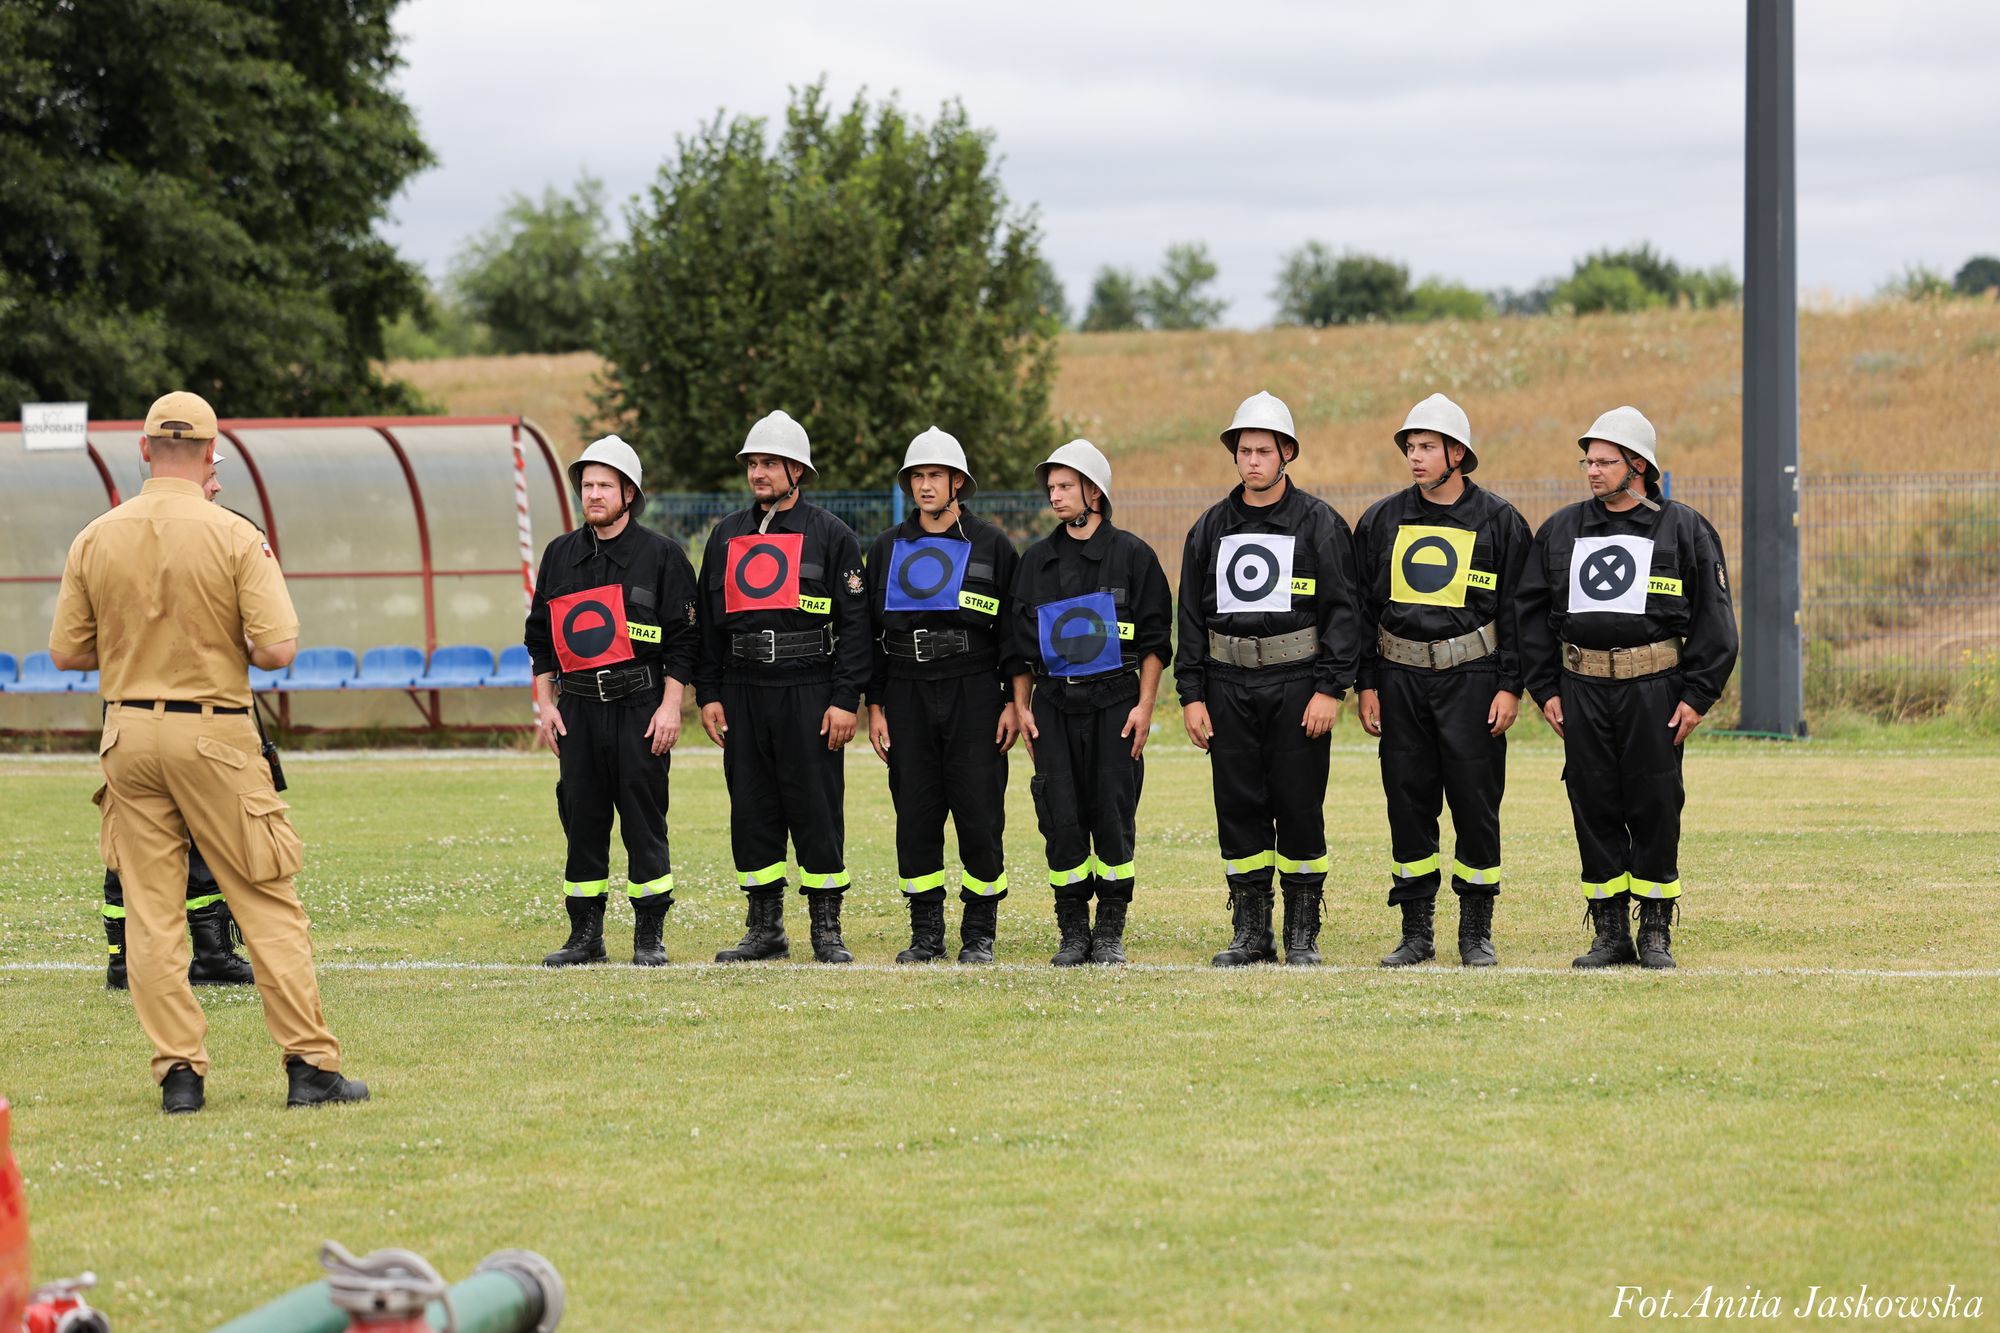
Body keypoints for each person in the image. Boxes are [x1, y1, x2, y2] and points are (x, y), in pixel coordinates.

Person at [50, 390, 365, 1113]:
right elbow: (278, 649)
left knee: (151, 915)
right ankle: (310, 1067)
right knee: (266, 900)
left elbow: (66, 651)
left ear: (143, 450)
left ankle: (180, 1075)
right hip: (215, 732)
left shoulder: (96, 536)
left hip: (128, 733)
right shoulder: (233, 534)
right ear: (211, 455)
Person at [1518, 406, 1739, 968]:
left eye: (1605, 462)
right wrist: (1545, 690)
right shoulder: (1561, 529)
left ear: (1638, 464)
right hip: (1581, 691)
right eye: (1588, 461)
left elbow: (1716, 621)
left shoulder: (1684, 528)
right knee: (1592, 804)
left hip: (1655, 692)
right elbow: (1529, 616)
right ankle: (1610, 932)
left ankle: (1656, 932)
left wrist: (1696, 696)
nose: (1592, 471)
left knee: (1655, 806)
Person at [1176, 392, 1360, 967]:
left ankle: (1302, 934)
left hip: (1298, 684)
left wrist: (1331, 688)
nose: (1252, 460)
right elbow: (1191, 618)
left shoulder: (1320, 524)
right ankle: (1251, 932)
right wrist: (1192, 696)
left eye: (1264, 450)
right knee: (1238, 805)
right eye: (1244, 450)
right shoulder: (1209, 528)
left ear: (1287, 454)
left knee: (1299, 804)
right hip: (1227, 686)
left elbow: (1343, 611)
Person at [1353, 394, 1534, 967]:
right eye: (1410, 447)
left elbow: (1518, 613)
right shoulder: (1380, 520)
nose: (1415, 456)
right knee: (1407, 803)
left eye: (1427, 447)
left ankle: (1475, 932)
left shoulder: (1501, 521)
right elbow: (1361, 610)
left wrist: (1511, 685)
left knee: (1476, 806)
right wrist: (1367, 684)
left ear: (1458, 453)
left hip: (1473, 681)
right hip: (1400, 679)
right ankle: (1416, 932)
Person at [696, 411, 872, 964]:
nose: (758, 472)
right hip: (744, 688)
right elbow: (706, 622)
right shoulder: (726, 535)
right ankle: (764, 928)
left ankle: (826, 929)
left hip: (810, 689)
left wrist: (846, 699)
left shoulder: (833, 535)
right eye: (753, 463)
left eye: (769, 463)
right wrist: (710, 694)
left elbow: (857, 627)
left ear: (797, 469)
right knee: (751, 808)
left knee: (816, 806)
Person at [525, 435, 699, 967]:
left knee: (645, 821)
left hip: (640, 708)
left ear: (629, 492)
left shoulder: (663, 556)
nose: (593, 494)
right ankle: (585, 937)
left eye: (604, 485)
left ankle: (649, 935)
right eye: (587, 485)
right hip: (577, 710)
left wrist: (670, 707)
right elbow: (539, 637)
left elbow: (685, 642)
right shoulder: (560, 555)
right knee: (582, 819)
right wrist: (545, 705)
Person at [1009, 439, 1173, 966]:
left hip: (1116, 706)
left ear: (1093, 492)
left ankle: (1109, 931)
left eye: (1064, 486)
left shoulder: (1134, 556)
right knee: (1060, 817)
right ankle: (1073, 931)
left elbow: (1154, 643)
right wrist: (1023, 707)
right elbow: (1016, 650)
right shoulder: (1035, 561)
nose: (1054, 496)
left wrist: (1145, 708)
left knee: (1113, 814)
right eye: (1051, 487)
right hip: (1054, 708)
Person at [98, 445, 255, 989]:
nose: (216, 487)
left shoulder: (110, 534)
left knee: (163, 840)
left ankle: (178, 955)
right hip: (189, 714)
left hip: (141, 716)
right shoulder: (225, 537)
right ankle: (143, 958)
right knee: (159, 840)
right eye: (212, 475)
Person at [865, 428, 1023, 963]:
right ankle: (925, 933)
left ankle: (979, 932)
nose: (924, 485)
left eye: (934, 475)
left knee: (979, 812)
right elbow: (870, 634)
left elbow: (1014, 633)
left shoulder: (994, 544)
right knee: (916, 813)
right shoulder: (886, 547)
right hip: (906, 690)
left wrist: (1010, 701)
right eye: (917, 476)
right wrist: (877, 706)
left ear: (958, 482)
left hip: (974, 688)